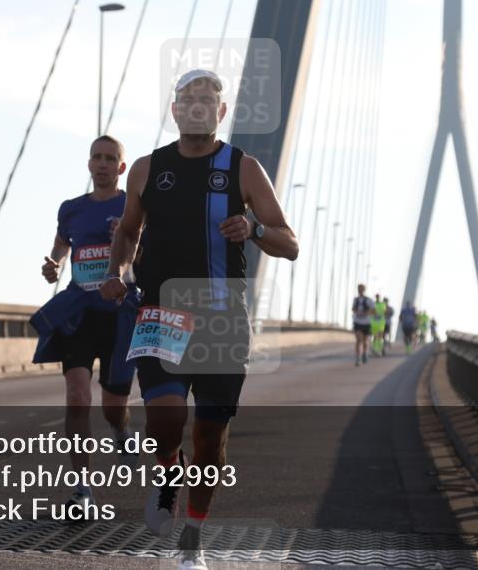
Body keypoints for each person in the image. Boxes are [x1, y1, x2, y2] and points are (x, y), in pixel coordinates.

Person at [100, 69, 299, 570]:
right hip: (160, 312)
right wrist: (118, 271)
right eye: (188, 99)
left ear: (221, 112)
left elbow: (289, 242)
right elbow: (126, 232)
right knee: (164, 422)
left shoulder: (243, 168)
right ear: (174, 111)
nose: (197, 107)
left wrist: (253, 228)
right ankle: (169, 474)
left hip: (222, 319)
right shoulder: (146, 168)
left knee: (210, 444)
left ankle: (193, 536)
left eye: (208, 100)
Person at [31, 135, 138, 520]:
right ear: (89, 164)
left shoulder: (132, 203)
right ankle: (81, 490)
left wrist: (126, 245)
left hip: (118, 311)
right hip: (79, 311)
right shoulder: (71, 209)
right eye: (97, 157)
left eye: (111, 158)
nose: (103, 164)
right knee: (77, 396)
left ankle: (123, 433)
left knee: (112, 409)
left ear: (121, 168)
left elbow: (149, 245)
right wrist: (55, 264)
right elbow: (61, 245)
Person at [351, 284, 372, 365]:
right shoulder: (355, 300)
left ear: (364, 290)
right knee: (359, 340)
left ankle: (365, 353)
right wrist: (356, 312)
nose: (360, 291)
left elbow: (373, 311)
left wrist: (365, 313)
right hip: (358, 322)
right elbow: (353, 308)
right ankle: (357, 358)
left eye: (361, 289)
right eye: (359, 289)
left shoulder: (369, 300)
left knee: (365, 341)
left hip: (366, 323)